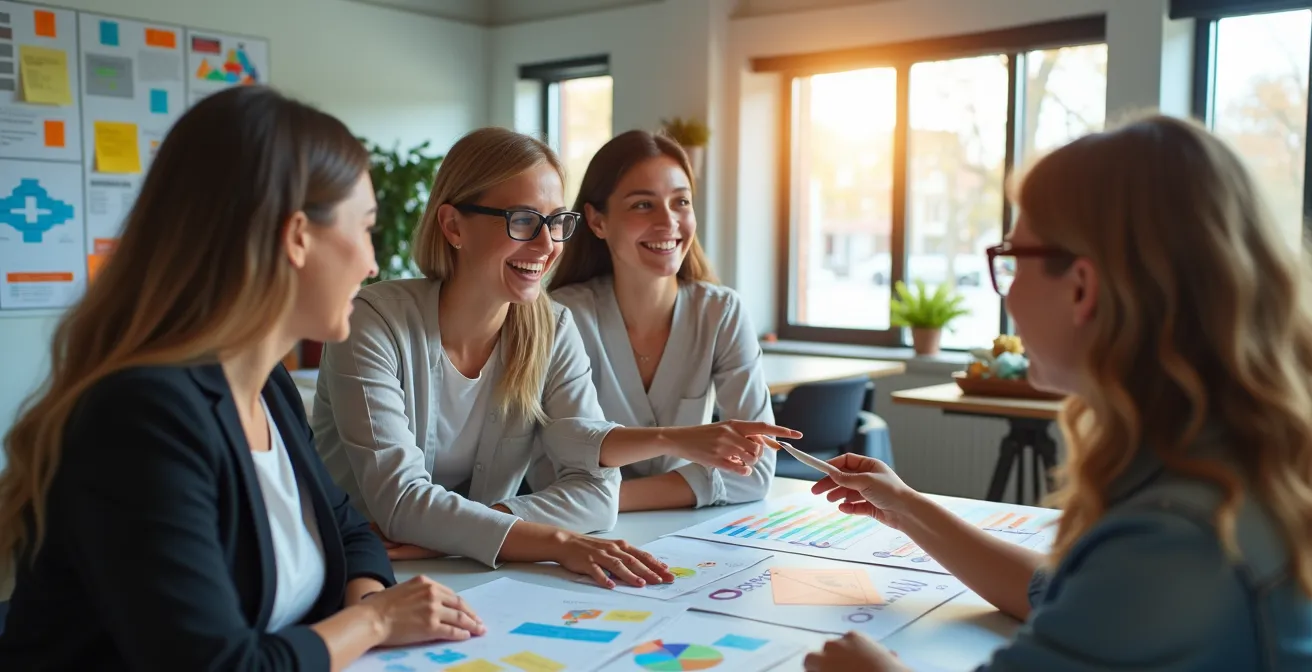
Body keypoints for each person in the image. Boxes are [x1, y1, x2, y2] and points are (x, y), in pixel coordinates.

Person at [802, 115, 1312, 671]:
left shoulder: (1177, 538)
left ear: (1082, 288)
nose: (1008, 294)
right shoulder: (1223, 464)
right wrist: (904, 506)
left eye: (1013, 261)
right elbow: (1060, 595)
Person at [0, 86, 483, 670]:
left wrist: (370, 612)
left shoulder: (267, 386)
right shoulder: (140, 415)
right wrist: (374, 622)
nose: (372, 262)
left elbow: (351, 532)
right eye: (364, 229)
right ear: (297, 236)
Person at [313, 127, 798, 588]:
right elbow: (400, 502)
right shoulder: (372, 321)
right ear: (453, 225)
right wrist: (556, 542)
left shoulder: (551, 326)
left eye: (555, 222)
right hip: (356, 573)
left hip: (472, 575)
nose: (547, 245)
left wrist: (466, 530)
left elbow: (598, 493)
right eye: (523, 220)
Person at [550, 130, 780, 512]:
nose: (668, 221)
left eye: (681, 202)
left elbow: (752, 472)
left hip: (686, 530)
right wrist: (690, 474)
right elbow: (558, 463)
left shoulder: (721, 313)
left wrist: (600, 499)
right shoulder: (561, 317)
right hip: (582, 533)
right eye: (643, 205)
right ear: (597, 220)